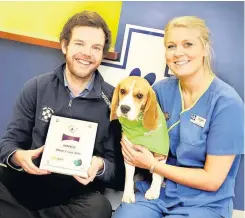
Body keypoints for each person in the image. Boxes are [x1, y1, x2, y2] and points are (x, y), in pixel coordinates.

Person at [112, 16, 244, 218]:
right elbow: (137, 132)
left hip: (204, 202)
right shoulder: (160, 91)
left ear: (205, 48)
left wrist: (153, 165)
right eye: (171, 46)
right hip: (158, 192)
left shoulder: (227, 104)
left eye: (188, 44)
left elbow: (212, 180)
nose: (178, 53)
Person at [0, 11, 123, 218]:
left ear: (102, 54)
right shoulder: (36, 87)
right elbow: (9, 143)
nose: (87, 53)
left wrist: (100, 166)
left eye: (96, 48)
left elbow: (118, 172)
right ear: (65, 45)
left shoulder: (114, 101)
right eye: (79, 44)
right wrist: (19, 157)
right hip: (27, 182)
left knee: (99, 208)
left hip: (74, 193)